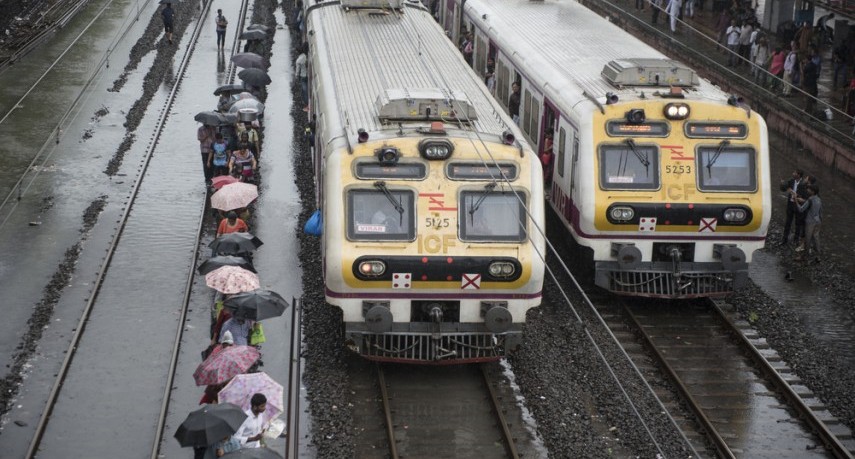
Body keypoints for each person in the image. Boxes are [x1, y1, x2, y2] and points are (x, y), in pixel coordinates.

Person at [794, 184, 821, 262]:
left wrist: (796, 201)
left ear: (813, 191)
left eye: (809, 189)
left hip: (810, 222)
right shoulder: (819, 199)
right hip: (818, 221)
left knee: (807, 239)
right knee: (816, 239)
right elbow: (820, 211)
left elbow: (801, 209)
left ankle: (805, 257)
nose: (807, 190)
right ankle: (818, 256)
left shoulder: (810, 200)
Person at [779, 169, 805, 245]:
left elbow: (804, 196)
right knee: (788, 222)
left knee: (798, 223)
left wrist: (796, 195)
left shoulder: (803, 184)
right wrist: (782, 184)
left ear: (799, 175)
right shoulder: (791, 181)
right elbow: (783, 189)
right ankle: (784, 239)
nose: (793, 173)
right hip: (790, 204)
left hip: (798, 205)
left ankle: (796, 240)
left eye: (795, 173)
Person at [295, 43, 309, 110]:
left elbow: (297, 71)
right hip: (307, 74)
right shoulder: (305, 56)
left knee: (304, 90)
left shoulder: (298, 60)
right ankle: (307, 103)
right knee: (306, 89)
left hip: (302, 76)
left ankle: (307, 104)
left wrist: (296, 77)